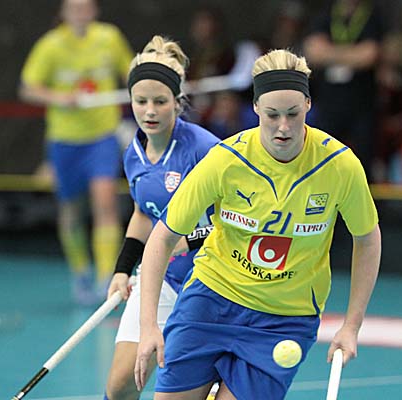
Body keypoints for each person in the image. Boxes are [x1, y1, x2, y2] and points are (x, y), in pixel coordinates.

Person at [134, 49, 382, 400]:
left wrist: (351, 325)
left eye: (293, 113)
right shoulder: (226, 160)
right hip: (211, 301)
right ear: (255, 108)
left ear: (308, 104)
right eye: (272, 115)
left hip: (285, 318)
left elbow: (367, 239)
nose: (283, 127)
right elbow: (162, 238)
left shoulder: (340, 166)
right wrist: (148, 326)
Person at [103, 36, 220, 400]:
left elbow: (237, 220)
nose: (149, 111)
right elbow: (143, 213)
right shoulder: (133, 153)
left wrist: (187, 240)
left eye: (160, 101)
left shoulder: (205, 150)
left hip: (211, 283)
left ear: (178, 101)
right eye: (141, 101)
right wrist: (123, 269)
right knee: (120, 385)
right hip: (163, 278)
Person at [18, 0, 133, 305]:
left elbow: (131, 73)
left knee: (105, 202)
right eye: (74, 8)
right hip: (65, 140)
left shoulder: (109, 37)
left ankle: (106, 279)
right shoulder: (51, 45)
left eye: (85, 8)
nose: (81, 14)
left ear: (94, 11)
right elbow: (28, 88)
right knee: (71, 211)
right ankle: (80, 272)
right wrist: (61, 98)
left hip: (102, 137)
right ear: (64, 13)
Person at [303, 0, 383, 179]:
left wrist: (329, 52)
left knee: (363, 161)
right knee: (323, 157)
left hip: (362, 103)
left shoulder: (371, 15)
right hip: (329, 102)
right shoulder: (326, 14)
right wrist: (353, 53)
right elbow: (313, 52)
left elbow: (369, 55)